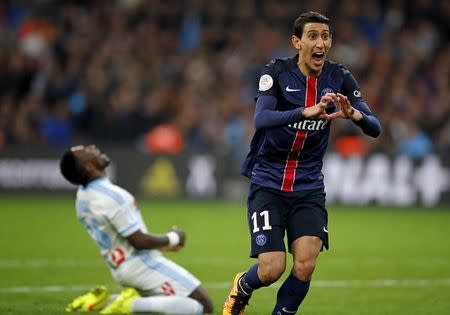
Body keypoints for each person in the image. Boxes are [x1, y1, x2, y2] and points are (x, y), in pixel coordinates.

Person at [222, 11, 381, 315]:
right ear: (297, 42)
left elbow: (375, 127)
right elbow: (262, 118)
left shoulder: (340, 77)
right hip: (268, 182)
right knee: (271, 269)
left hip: (308, 186)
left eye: (325, 36)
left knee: (305, 263)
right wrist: (303, 112)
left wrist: (354, 115)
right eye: (312, 36)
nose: (320, 42)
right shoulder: (276, 73)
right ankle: (242, 286)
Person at [60, 144, 213, 314]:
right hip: (142, 265)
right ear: (89, 166)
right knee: (203, 305)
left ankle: (101, 302)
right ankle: (129, 305)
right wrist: (173, 237)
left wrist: (161, 245)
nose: (93, 147)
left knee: (163, 302)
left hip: (120, 268)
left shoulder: (82, 198)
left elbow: (119, 235)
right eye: (87, 150)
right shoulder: (113, 196)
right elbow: (138, 241)